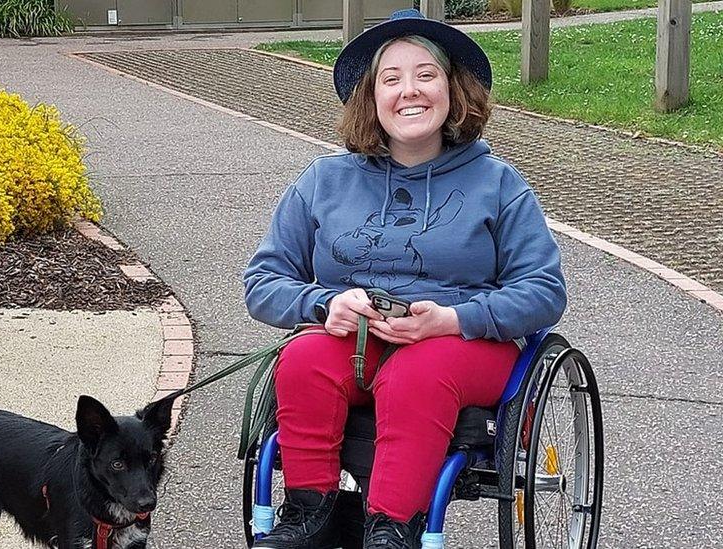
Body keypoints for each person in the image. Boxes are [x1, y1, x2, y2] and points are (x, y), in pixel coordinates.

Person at [243, 9, 567, 549]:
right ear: (371, 98)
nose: (408, 91)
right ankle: (308, 515)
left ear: (452, 89)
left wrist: (452, 320)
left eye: (425, 75)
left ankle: (393, 529)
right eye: (391, 79)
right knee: (301, 360)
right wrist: (326, 305)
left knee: (415, 375)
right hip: (354, 337)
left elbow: (544, 289)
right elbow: (264, 281)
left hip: (461, 342)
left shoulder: (497, 183)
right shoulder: (324, 181)